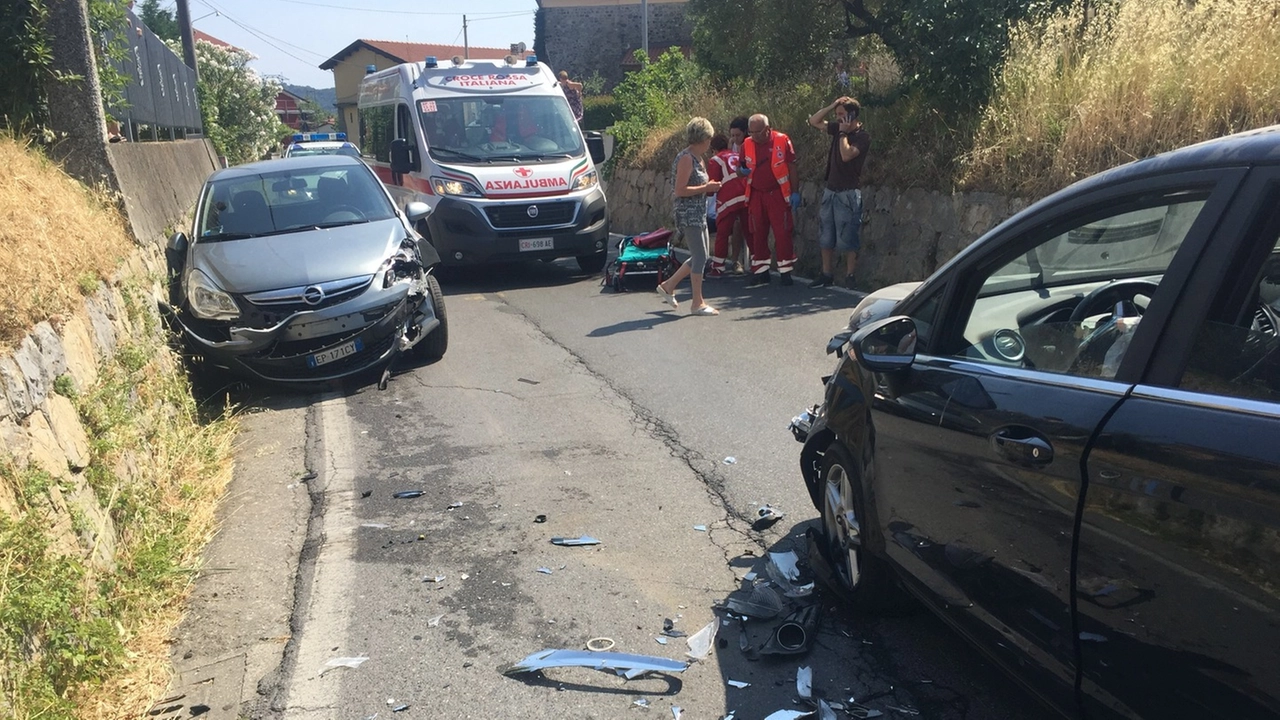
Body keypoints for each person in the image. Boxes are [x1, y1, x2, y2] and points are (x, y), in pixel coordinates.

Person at [656, 117, 722, 315]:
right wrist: (707, 187)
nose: (710, 142)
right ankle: (697, 303)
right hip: (688, 213)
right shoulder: (686, 158)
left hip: (698, 211)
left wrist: (707, 189)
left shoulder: (697, 158)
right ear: (702, 138)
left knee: (701, 256)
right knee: (700, 256)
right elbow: (680, 190)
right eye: (708, 138)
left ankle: (668, 286)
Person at [807, 96, 870, 289]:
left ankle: (850, 275)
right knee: (826, 234)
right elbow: (814, 121)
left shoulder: (862, 137)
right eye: (837, 115)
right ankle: (827, 273)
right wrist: (832, 105)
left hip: (848, 193)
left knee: (849, 236)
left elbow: (846, 155)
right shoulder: (837, 128)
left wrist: (842, 134)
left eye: (842, 115)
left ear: (852, 116)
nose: (838, 118)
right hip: (831, 190)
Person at [739, 113, 800, 287]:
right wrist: (741, 172)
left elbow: (792, 167)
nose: (754, 136)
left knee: (783, 233)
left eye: (757, 132)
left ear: (767, 129)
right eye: (751, 132)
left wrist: (795, 192)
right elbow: (740, 168)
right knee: (757, 233)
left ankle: (786, 272)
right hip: (756, 194)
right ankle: (761, 271)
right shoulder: (747, 144)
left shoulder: (782, 140)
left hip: (778, 194)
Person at [705, 133, 748, 278]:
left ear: (714, 149)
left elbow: (713, 185)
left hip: (729, 198)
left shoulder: (715, 160)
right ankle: (759, 266)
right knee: (750, 232)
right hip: (746, 195)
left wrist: (705, 193)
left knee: (722, 233)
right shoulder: (736, 155)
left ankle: (718, 267)